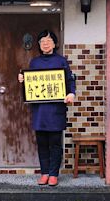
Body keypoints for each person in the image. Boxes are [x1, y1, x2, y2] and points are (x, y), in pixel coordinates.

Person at [18, 30, 75, 186]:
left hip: (56, 110)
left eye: (48, 40)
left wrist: (71, 94)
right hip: (39, 110)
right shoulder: (34, 63)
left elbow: (70, 80)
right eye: (42, 40)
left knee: (55, 142)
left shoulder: (61, 61)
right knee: (42, 142)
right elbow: (30, 87)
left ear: (54, 44)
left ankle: (53, 174)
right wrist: (23, 80)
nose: (45, 43)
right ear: (39, 44)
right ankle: (44, 173)